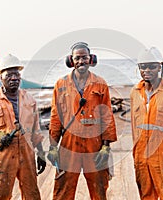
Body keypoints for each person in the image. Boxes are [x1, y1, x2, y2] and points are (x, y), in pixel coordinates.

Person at [47, 42, 117, 200]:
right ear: (70, 61)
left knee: (99, 188)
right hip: (69, 143)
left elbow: (107, 116)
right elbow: (55, 116)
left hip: (94, 143)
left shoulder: (100, 83)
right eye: (77, 58)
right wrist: (52, 146)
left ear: (91, 59)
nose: (81, 61)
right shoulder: (61, 84)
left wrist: (106, 147)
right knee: (63, 189)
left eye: (84, 57)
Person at [0, 54, 46, 200]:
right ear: (1, 77)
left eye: (16, 74)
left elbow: (36, 131)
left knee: (32, 194)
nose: (14, 78)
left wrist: (41, 154)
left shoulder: (30, 99)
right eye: (9, 75)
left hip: (27, 155)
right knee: (0, 195)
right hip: (3, 156)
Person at [130, 47, 163, 200]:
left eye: (152, 66)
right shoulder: (134, 92)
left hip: (162, 154)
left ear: (160, 67)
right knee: (145, 193)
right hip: (141, 154)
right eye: (143, 66)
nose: (147, 70)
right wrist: (136, 154)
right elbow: (135, 127)